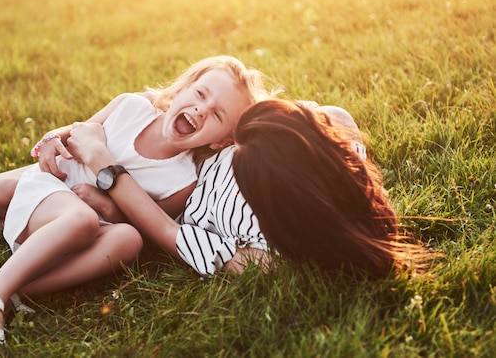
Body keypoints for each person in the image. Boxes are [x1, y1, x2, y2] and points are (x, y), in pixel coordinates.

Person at [0, 55, 273, 357]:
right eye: (200, 94)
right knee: (67, 211)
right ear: (183, 89)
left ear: (221, 140)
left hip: (79, 237)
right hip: (50, 197)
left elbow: (142, 222)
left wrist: (111, 208)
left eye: (217, 114)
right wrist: (52, 141)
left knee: (129, 240)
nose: (201, 108)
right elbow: (75, 132)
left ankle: (2, 288)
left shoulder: (183, 180)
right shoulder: (131, 107)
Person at [66, 99, 428, 279]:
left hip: (159, 194)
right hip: (191, 144)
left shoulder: (266, 256)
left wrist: (104, 166)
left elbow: (166, 230)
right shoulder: (334, 129)